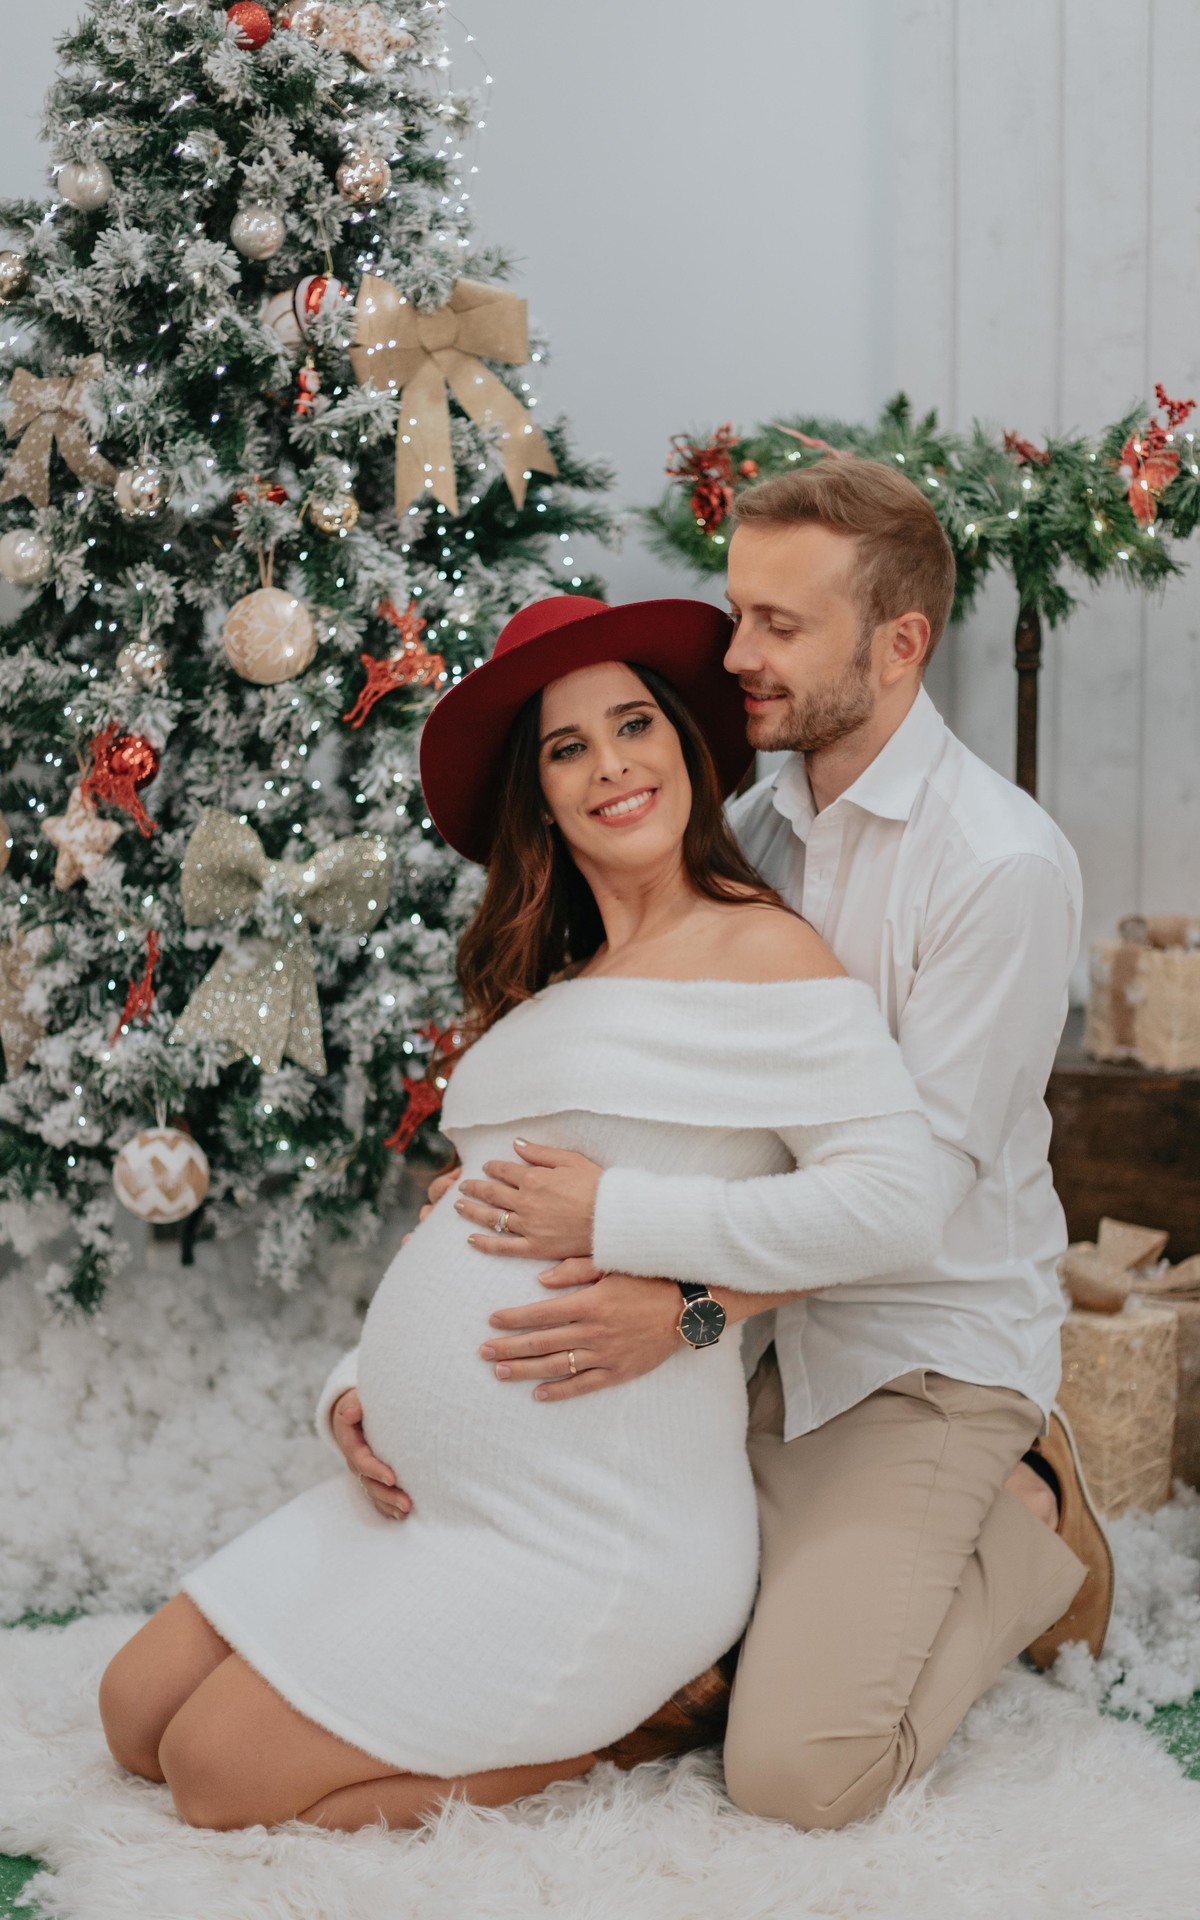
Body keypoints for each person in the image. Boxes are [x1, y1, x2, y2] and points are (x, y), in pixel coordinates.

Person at [97, 592, 944, 1833]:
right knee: (133, 1715)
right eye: (568, 747)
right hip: (432, 1506)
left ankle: (630, 1725)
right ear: (539, 795)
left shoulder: (764, 954)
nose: (612, 766)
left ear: (684, 749)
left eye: (635, 725)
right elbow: (469, 1231)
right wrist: (359, 1389)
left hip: (592, 1536)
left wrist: (615, 1217)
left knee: (213, 1776)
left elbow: (899, 1205)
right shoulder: (552, 990)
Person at [395, 459, 1113, 1830]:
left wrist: (661, 1274)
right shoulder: (747, 826)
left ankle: (1030, 1524)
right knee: (634, 1672)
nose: (734, 657)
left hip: (919, 1353)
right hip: (752, 1343)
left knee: (794, 1772)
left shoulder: (999, 869)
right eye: (738, 614)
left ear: (898, 645)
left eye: (780, 625)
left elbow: (909, 1207)